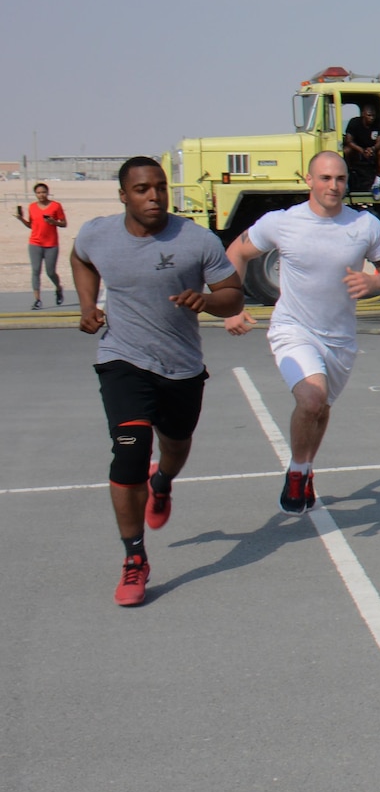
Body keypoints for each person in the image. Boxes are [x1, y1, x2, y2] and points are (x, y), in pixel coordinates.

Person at [69, 156, 244, 606]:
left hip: (181, 367)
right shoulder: (98, 234)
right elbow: (80, 258)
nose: (154, 196)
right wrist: (87, 306)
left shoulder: (196, 240)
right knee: (129, 452)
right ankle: (135, 558)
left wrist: (206, 301)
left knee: (176, 444)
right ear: (123, 196)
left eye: (161, 187)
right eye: (143, 189)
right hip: (122, 357)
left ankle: (162, 481)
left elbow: (233, 297)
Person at [224, 151, 380, 513]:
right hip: (293, 328)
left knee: (320, 408)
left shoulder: (364, 225)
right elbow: (237, 251)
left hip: (340, 338)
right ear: (308, 180)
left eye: (340, 179)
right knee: (311, 399)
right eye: (325, 178)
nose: (333, 186)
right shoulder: (282, 222)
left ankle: (305, 469)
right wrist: (231, 306)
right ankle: (296, 472)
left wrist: (375, 282)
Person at [18, 181, 68, 309]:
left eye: (43, 192)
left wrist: (53, 222)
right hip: (35, 243)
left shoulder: (56, 206)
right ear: (35, 194)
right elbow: (31, 225)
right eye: (38, 193)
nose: (41, 195)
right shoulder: (32, 207)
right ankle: (37, 299)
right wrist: (21, 219)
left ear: (48, 192)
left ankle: (58, 288)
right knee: (36, 271)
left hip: (51, 244)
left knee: (50, 272)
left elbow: (64, 223)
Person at [342, 100, 380, 199]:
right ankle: (345, 184)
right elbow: (349, 141)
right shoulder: (354, 122)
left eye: (373, 115)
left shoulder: (378, 123)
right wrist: (362, 150)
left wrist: (372, 149)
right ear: (363, 114)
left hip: (372, 152)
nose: (372, 118)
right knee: (346, 151)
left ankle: (376, 185)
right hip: (357, 151)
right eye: (369, 115)